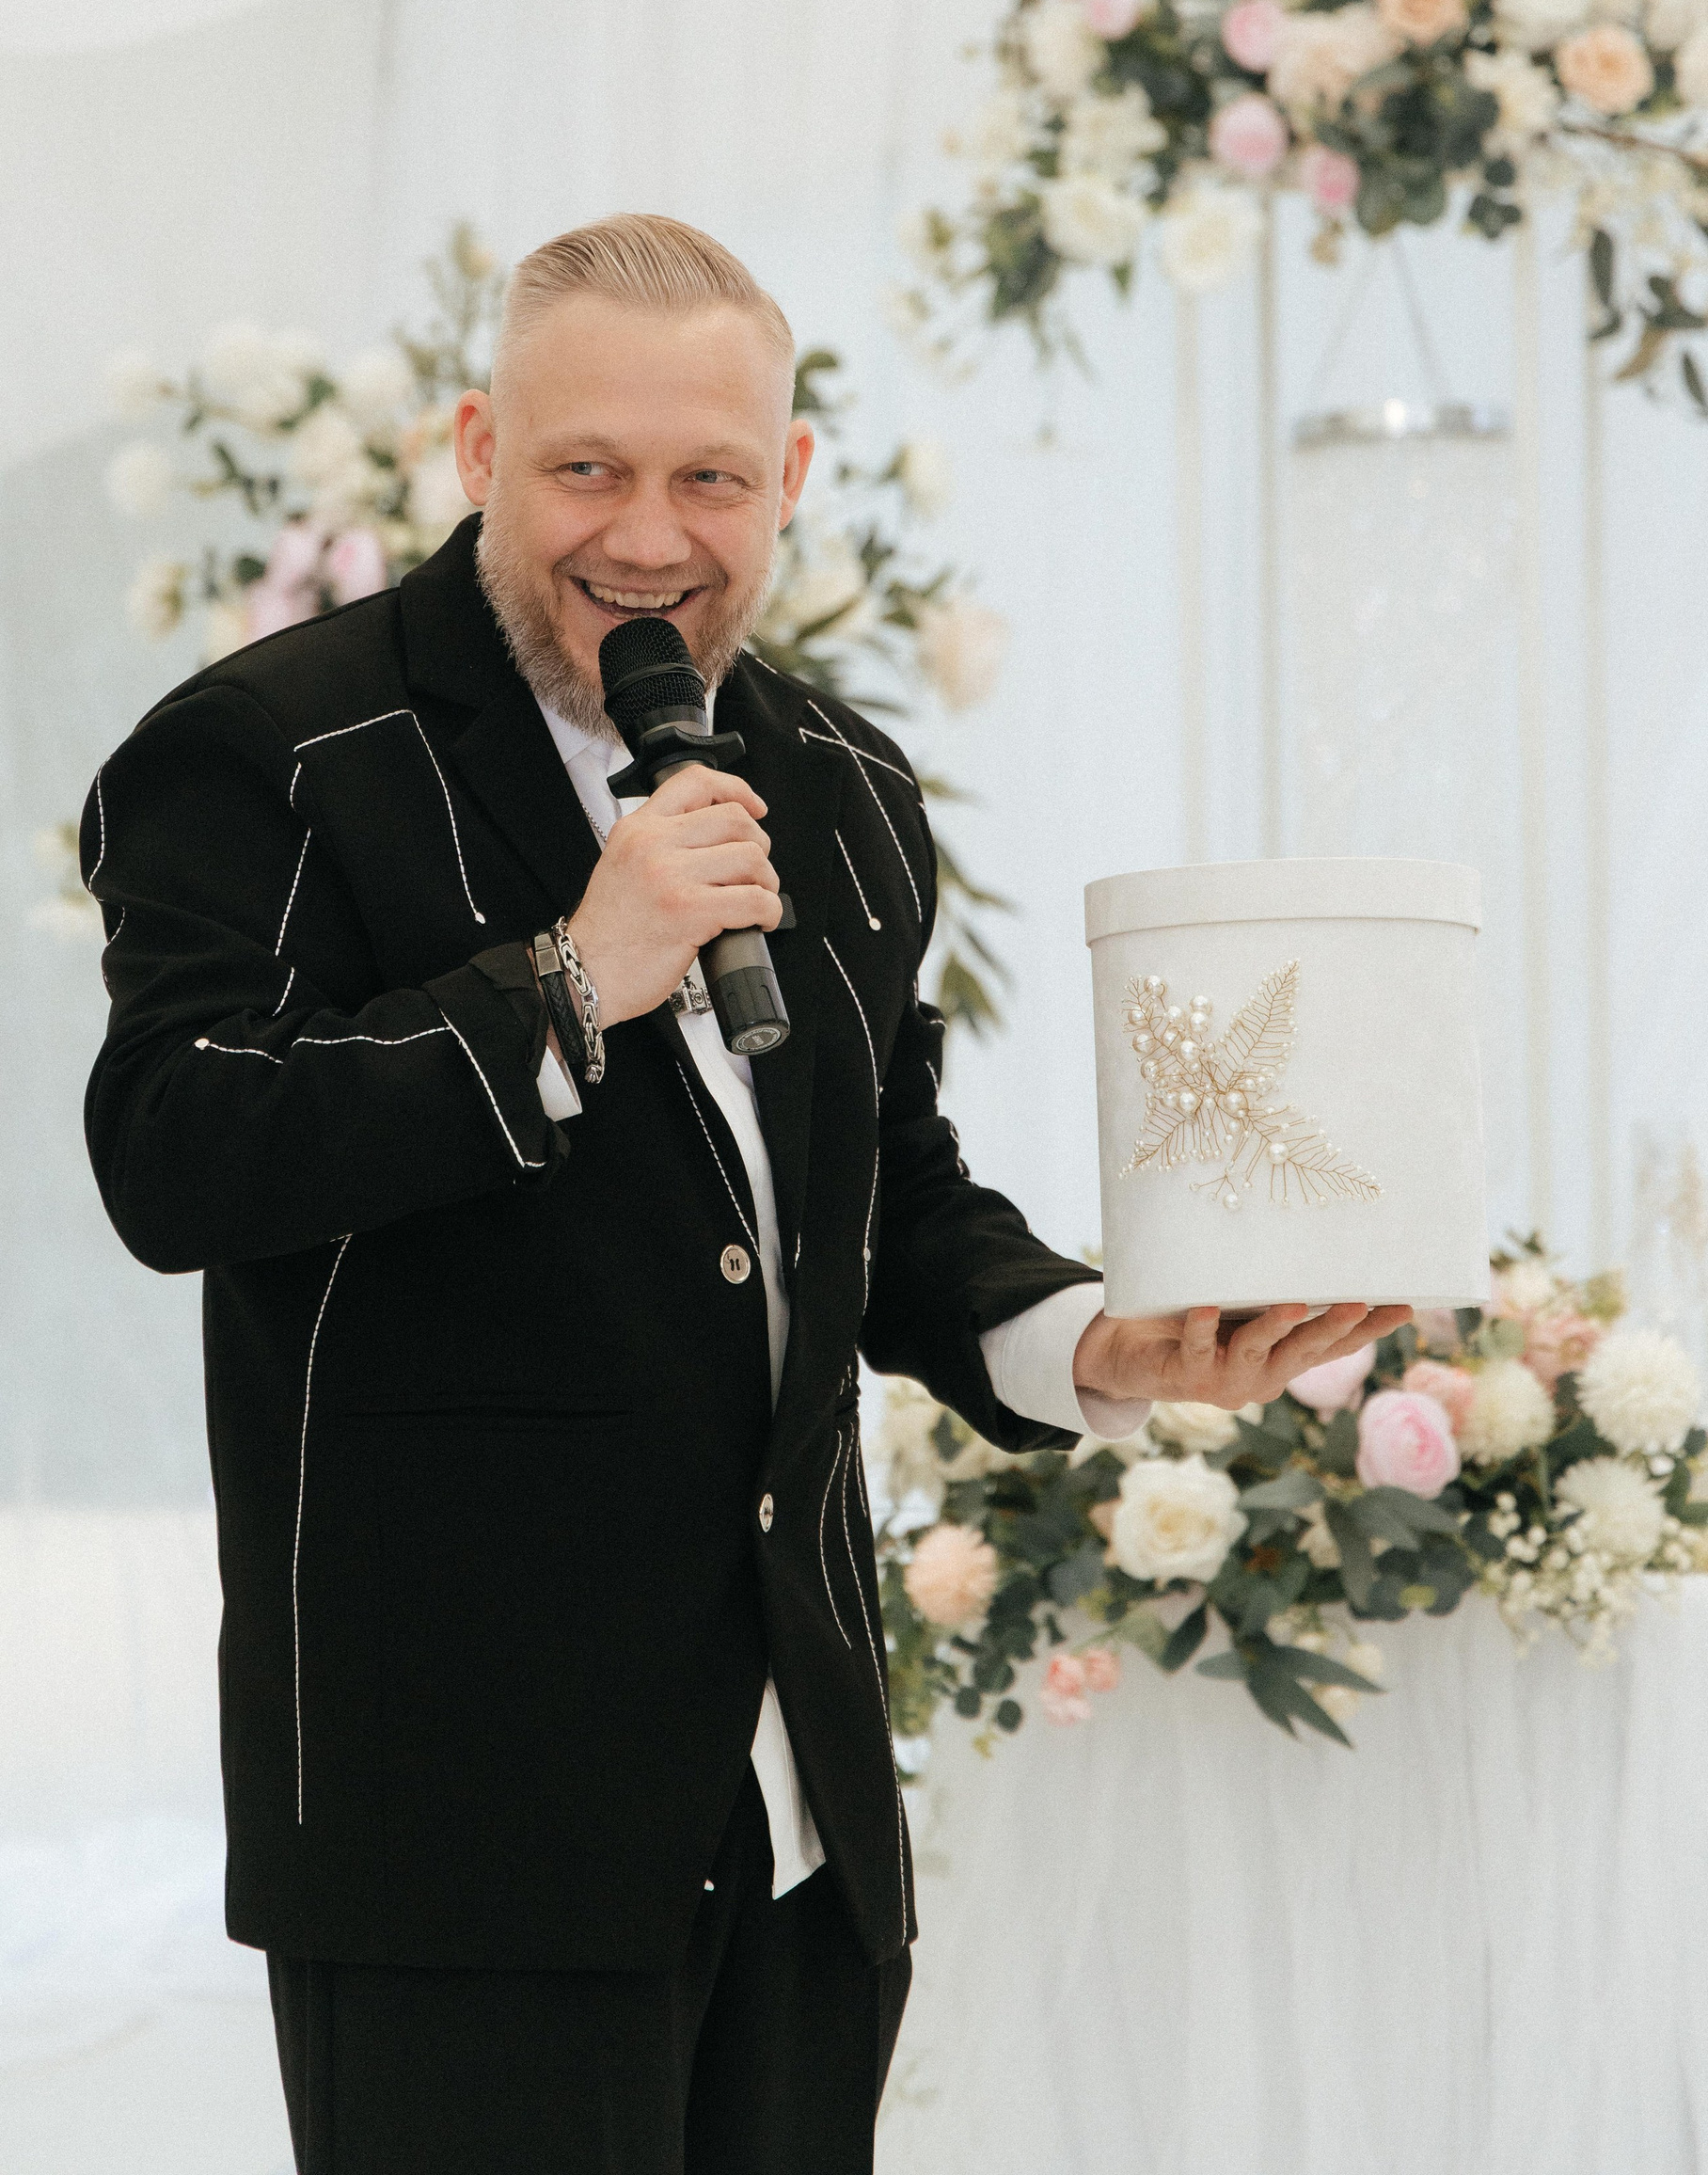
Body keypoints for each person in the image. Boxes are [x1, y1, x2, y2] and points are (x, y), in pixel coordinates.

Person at [82, 214, 1408, 2174]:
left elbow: (887, 1189)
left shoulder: (847, 784)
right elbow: (174, 1149)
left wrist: (1089, 1342)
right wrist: (566, 982)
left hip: (800, 1825)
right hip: (457, 1837)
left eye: (708, 477)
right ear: (478, 450)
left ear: (786, 479)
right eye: (586, 469)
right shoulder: (269, 751)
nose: (649, 537)